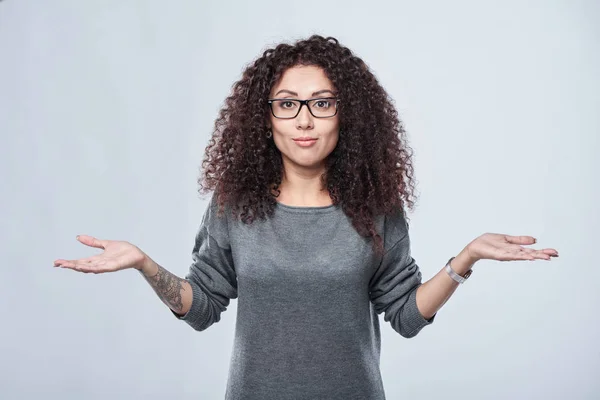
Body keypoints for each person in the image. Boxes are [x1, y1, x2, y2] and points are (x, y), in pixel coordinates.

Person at [53, 35, 559, 399]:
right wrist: (145, 265)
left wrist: (465, 258)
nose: (304, 118)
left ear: (346, 114)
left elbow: (406, 318)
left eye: (321, 103)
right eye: (288, 104)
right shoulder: (235, 204)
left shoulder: (375, 207)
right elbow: (203, 308)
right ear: (264, 117)